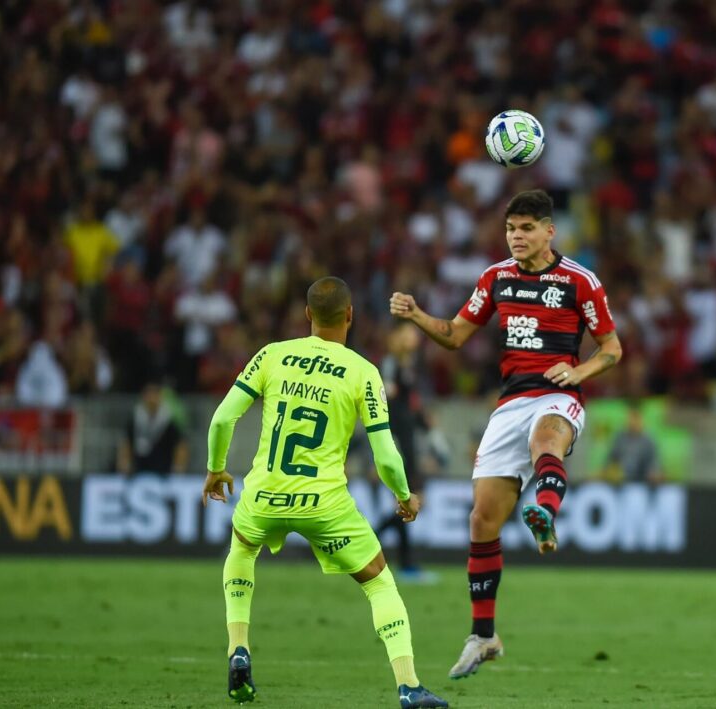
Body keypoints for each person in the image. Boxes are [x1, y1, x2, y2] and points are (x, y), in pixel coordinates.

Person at [389, 189, 622, 678]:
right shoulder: (495, 279)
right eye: (511, 229)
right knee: (482, 522)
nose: (517, 237)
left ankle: (545, 513)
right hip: (509, 404)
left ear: (549, 231)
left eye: (527, 228)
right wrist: (415, 315)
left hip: (557, 396)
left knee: (547, 439)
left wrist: (578, 374)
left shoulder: (580, 281)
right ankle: (483, 637)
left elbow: (612, 350)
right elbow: (454, 335)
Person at [202, 277, 448, 709]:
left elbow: (222, 420)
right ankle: (409, 686)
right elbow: (385, 453)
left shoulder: (272, 355)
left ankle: (238, 648)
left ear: (307, 315)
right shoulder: (363, 371)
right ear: (350, 315)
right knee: (378, 582)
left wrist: (216, 469)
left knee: (241, 551)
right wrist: (405, 495)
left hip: (265, 495)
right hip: (325, 505)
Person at [374, 321, 436, 582]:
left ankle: (398, 559)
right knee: (409, 501)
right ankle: (402, 560)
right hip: (399, 443)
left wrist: (424, 422)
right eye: (410, 333)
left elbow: (408, 406)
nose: (415, 338)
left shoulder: (408, 366)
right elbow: (386, 403)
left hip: (408, 442)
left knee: (407, 503)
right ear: (397, 336)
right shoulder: (390, 364)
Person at [116, 381, 188, 474]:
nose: (151, 399)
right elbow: (126, 442)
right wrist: (124, 462)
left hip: (163, 473)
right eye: (149, 395)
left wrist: (178, 466)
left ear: (160, 397)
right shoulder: (135, 419)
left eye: (154, 395)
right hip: (138, 472)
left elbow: (180, 445)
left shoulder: (168, 421)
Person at [604, 405, 662, 485]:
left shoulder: (648, 440)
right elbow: (610, 459)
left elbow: (654, 462)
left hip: (643, 482)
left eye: (636, 419)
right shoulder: (620, 438)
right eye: (631, 418)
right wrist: (610, 471)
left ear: (641, 420)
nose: (633, 422)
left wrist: (653, 472)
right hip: (620, 482)